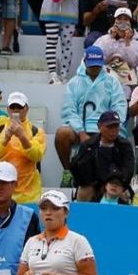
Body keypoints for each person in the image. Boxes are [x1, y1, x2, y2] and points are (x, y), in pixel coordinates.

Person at [55, 45, 129, 177]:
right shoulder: (74, 83)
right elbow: (69, 110)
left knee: (120, 136)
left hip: (106, 127)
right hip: (81, 129)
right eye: (92, 65)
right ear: (85, 62)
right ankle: (68, 172)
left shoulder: (112, 82)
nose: (95, 68)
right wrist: (81, 132)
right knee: (62, 134)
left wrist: (106, 128)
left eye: (98, 65)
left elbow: (120, 107)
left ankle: (116, 175)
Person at [0, 92, 44, 203]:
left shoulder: (36, 132)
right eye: (13, 107)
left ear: (26, 109)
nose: (16, 110)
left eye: (20, 107)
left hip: (27, 196)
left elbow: (37, 155)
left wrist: (22, 137)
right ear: (8, 109)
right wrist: (4, 139)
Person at [70, 111, 134, 203]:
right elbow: (79, 169)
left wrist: (113, 183)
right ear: (99, 127)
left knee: (123, 194)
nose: (113, 130)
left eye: (116, 127)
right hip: (92, 184)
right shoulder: (88, 145)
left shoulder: (125, 146)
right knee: (84, 191)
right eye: (109, 127)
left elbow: (128, 171)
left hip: (116, 183)